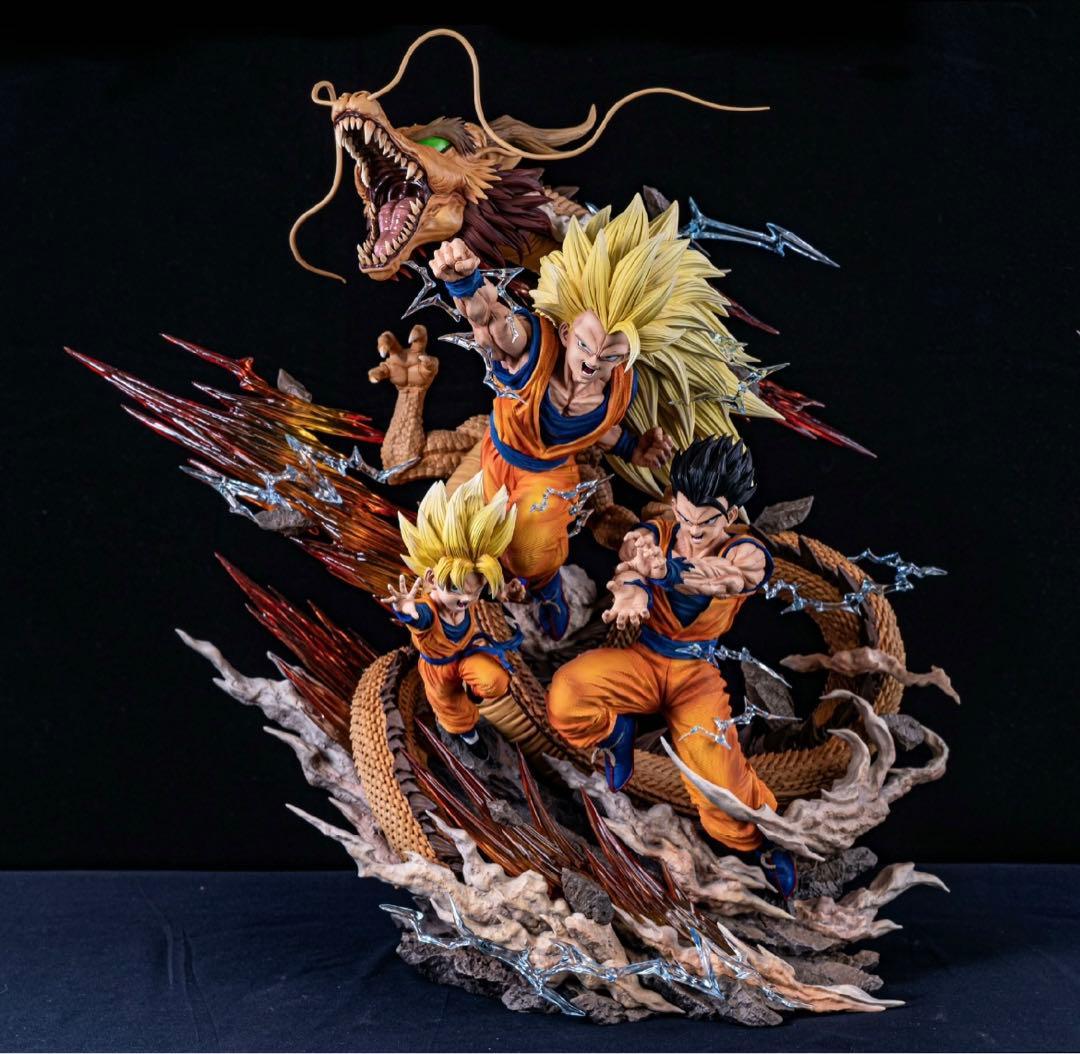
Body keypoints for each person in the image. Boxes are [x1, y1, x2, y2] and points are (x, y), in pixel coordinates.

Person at [430, 194, 776, 639]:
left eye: (610, 356)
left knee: (533, 551)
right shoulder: (534, 347)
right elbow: (494, 322)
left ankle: (546, 589)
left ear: (627, 356)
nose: (592, 363)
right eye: (585, 347)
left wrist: (634, 448)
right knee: (448, 532)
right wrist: (465, 283)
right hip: (495, 451)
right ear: (566, 332)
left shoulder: (619, 388)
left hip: (550, 474)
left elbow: (598, 429)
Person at [546, 437, 794, 894]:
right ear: (674, 501)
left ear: (731, 515)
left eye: (706, 521)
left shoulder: (746, 552)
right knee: (567, 695)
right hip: (643, 661)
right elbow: (630, 565)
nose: (693, 531)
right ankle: (616, 734)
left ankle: (762, 842)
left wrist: (670, 573)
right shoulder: (654, 535)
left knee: (720, 783)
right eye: (685, 516)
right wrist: (632, 591)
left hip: (695, 677)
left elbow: (728, 579)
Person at [383, 473, 525, 754]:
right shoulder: (428, 610)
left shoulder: (469, 594)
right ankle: (469, 737)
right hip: (438, 672)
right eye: (458, 590)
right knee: (455, 713)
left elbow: (488, 591)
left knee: (496, 680)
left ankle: (474, 693)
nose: (467, 599)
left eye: (475, 591)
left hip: (467, 656)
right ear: (432, 578)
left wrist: (506, 591)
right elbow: (417, 617)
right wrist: (405, 609)